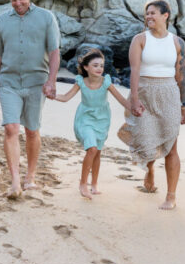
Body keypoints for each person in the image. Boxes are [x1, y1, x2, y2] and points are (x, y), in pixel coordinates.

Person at [0, 0, 61, 198]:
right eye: (13, 1)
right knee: (11, 128)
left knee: (32, 131)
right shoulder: (2, 21)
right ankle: (15, 182)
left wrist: (52, 81)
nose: (17, 4)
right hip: (8, 82)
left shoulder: (47, 18)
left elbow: (55, 52)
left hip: (37, 81)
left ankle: (30, 175)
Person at [123, 0, 185, 210]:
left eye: (153, 13)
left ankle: (171, 196)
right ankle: (150, 170)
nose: (149, 17)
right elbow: (134, 70)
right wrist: (134, 99)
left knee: (171, 146)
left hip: (169, 94)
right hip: (144, 92)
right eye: (147, 14)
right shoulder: (139, 39)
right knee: (147, 140)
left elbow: (181, 76)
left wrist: (184, 105)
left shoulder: (177, 43)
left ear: (165, 15)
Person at [54, 48, 131, 199]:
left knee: (97, 152)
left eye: (101, 66)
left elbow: (122, 100)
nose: (99, 68)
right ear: (86, 67)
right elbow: (65, 97)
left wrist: (135, 108)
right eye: (95, 65)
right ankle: (83, 184)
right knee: (92, 149)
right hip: (85, 119)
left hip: (102, 120)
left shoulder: (106, 82)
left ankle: (94, 184)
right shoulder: (81, 82)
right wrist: (52, 95)